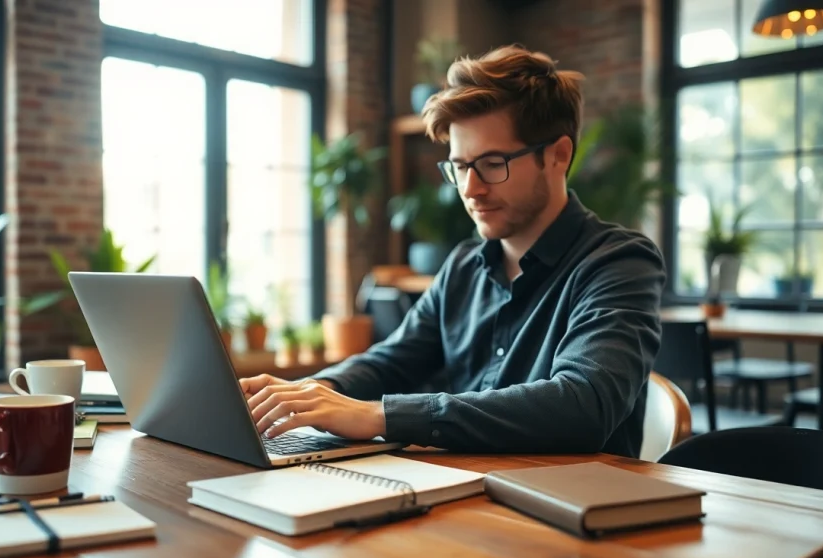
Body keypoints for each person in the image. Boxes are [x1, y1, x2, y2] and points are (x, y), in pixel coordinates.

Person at [240, 45, 666, 458]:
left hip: (574, 511)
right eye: (460, 166)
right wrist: (312, 393)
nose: (470, 189)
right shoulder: (464, 264)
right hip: (467, 500)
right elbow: (392, 361)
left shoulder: (619, 263)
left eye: (492, 163)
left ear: (557, 155)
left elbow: (583, 405)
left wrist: (380, 416)